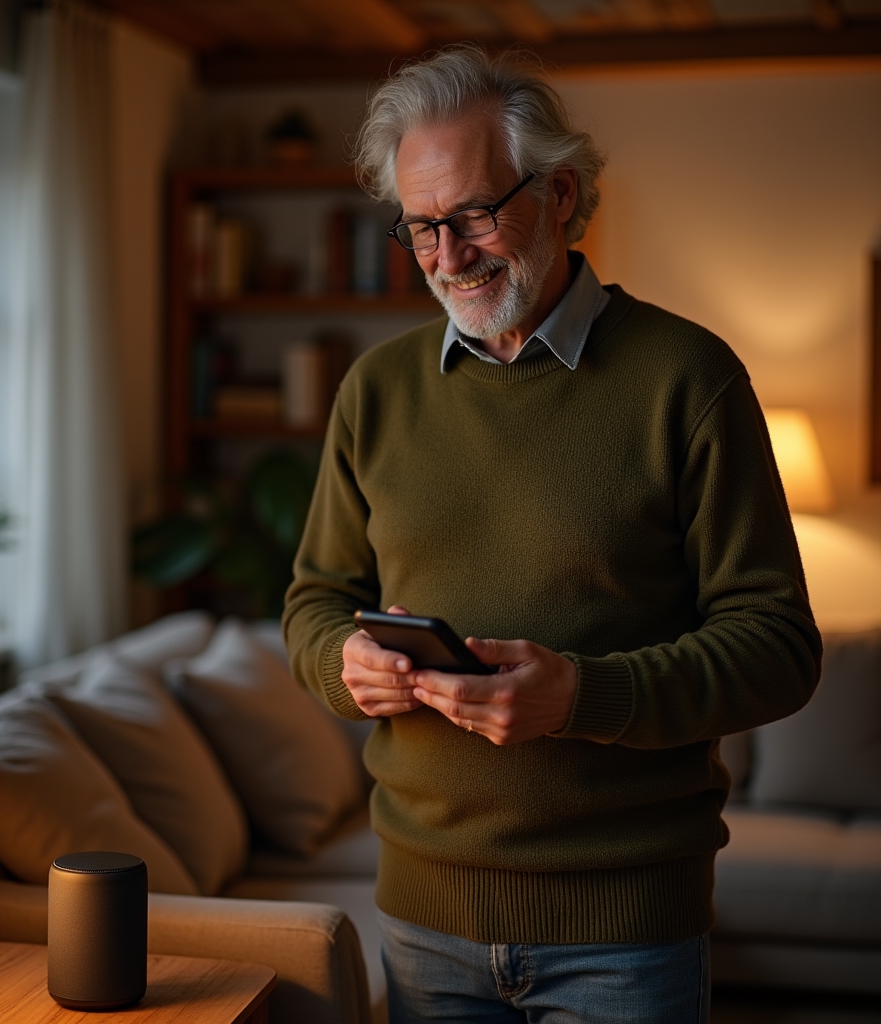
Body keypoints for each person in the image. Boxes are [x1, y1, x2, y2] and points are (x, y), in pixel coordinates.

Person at [282, 46, 820, 1024]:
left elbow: (778, 651)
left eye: (473, 215)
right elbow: (314, 601)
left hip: (630, 931)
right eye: (421, 228)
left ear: (560, 193)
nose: (448, 257)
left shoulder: (690, 380)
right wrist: (342, 663)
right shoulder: (375, 391)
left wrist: (580, 694)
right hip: (422, 919)